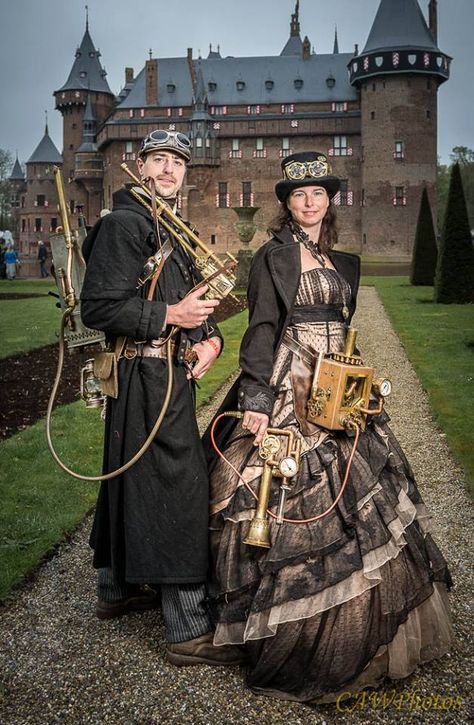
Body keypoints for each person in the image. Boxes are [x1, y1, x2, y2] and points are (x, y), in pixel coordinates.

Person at [205, 151, 453, 702]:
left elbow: (344, 329)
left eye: (318, 193)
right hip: (290, 378)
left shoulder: (344, 262)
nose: (310, 202)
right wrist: (257, 397)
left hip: (338, 385)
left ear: (329, 200)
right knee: (278, 488)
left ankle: (362, 631)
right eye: (299, 195)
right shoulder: (273, 257)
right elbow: (263, 326)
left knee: (366, 488)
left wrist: (360, 383)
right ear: (287, 206)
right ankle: (285, 627)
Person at [80, 129, 244, 666]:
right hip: (142, 377)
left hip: (168, 376)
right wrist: (170, 318)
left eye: (178, 161)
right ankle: (186, 627)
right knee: (180, 489)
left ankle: (116, 589)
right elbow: (99, 308)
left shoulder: (170, 228)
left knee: (131, 476)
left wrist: (210, 338)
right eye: (159, 160)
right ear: (140, 166)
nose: (170, 169)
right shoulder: (124, 225)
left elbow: (190, 301)